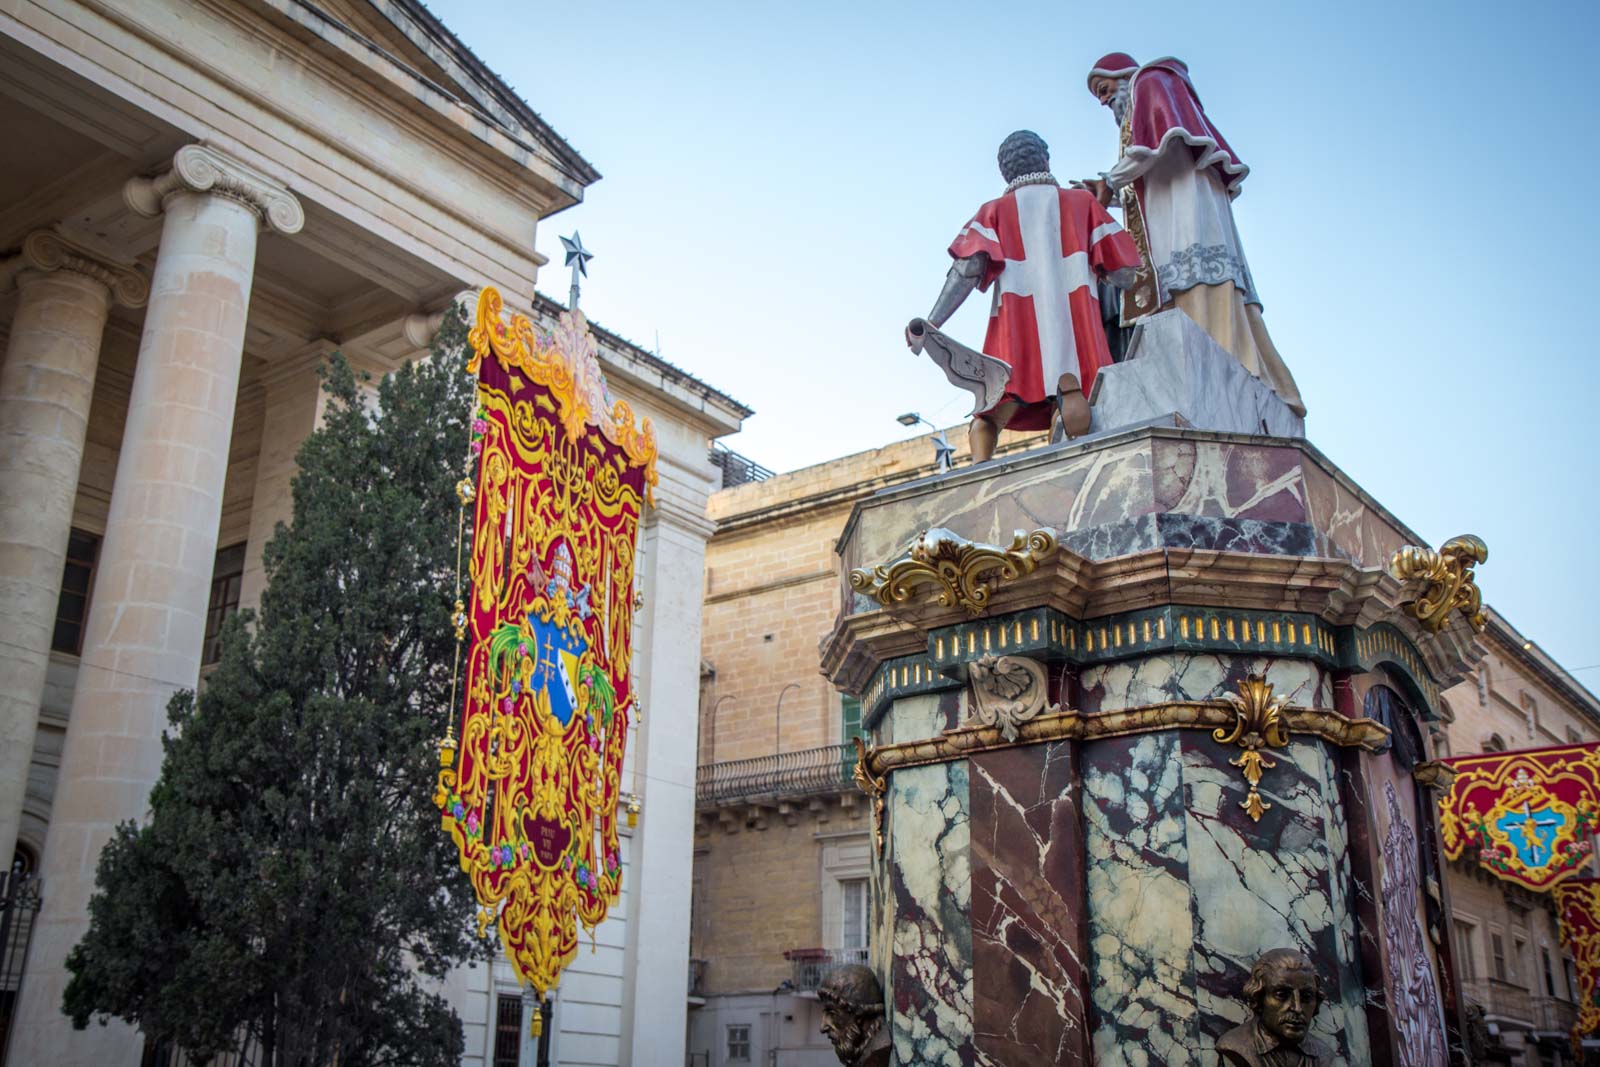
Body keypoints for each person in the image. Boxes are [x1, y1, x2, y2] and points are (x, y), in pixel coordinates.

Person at [1083, 53, 1305, 417]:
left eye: (1105, 90)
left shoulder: (1151, 82)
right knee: (1180, 294)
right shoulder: (1137, 109)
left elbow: (1159, 142)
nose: (1105, 101)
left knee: (1198, 286)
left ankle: (1224, 372)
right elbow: (1147, 182)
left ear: (1123, 76)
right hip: (1171, 214)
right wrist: (1110, 194)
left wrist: (1110, 180)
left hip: (1189, 214)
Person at [913, 130, 1141, 463]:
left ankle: (979, 475)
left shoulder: (992, 212)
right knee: (1073, 391)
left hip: (1015, 327)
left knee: (991, 410)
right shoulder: (1082, 204)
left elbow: (965, 272)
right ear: (1045, 159)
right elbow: (1125, 273)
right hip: (1077, 325)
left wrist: (932, 323)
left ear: (1004, 171)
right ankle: (1074, 464)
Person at [1216, 948, 1330, 1067]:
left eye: (1306, 997)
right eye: (1281, 995)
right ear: (1259, 998)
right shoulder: (1235, 1045)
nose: (1297, 1008)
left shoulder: (1324, 1053)